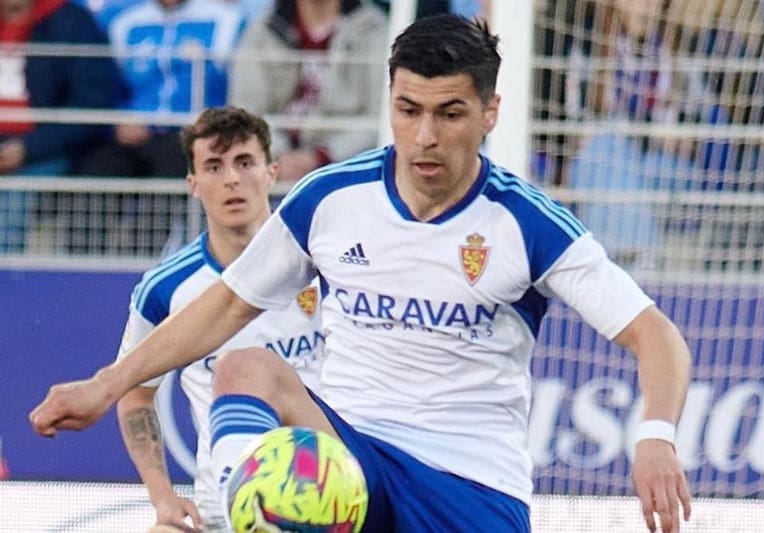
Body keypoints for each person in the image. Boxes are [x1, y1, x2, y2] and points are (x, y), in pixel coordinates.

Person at [30, 14, 693, 533]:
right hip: (351, 460)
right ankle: (247, 514)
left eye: (449, 112)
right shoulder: (331, 198)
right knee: (244, 366)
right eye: (409, 110)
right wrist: (108, 382)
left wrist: (656, 436)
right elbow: (228, 304)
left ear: (490, 114)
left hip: (471, 482)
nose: (425, 135)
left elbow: (655, 335)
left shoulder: (526, 222)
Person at [115, 106, 324, 532]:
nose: (231, 179)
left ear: (272, 172)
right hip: (224, 511)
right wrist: (163, 498)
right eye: (213, 166)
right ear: (193, 184)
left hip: (327, 495)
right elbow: (134, 394)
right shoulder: (166, 288)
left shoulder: (322, 263)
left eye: (244, 163)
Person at [0, 0, 122, 252]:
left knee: (10, 201)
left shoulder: (71, 22)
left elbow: (92, 102)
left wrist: (29, 148)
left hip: (46, 150)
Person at [76, 0, 246, 178]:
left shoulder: (227, 20)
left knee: (177, 162)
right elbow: (109, 87)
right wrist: (119, 121)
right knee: (100, 168)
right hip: (137, 132)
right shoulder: (124, 22)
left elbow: (235, 88)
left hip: (194, 132)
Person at [227, 0, 387, 184]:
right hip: (272, 170)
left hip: (346, 173)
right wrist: (279, 155)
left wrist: (322, 156)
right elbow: (245, 109)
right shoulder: (263, 30)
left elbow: (381, 114)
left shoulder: (374, 29)